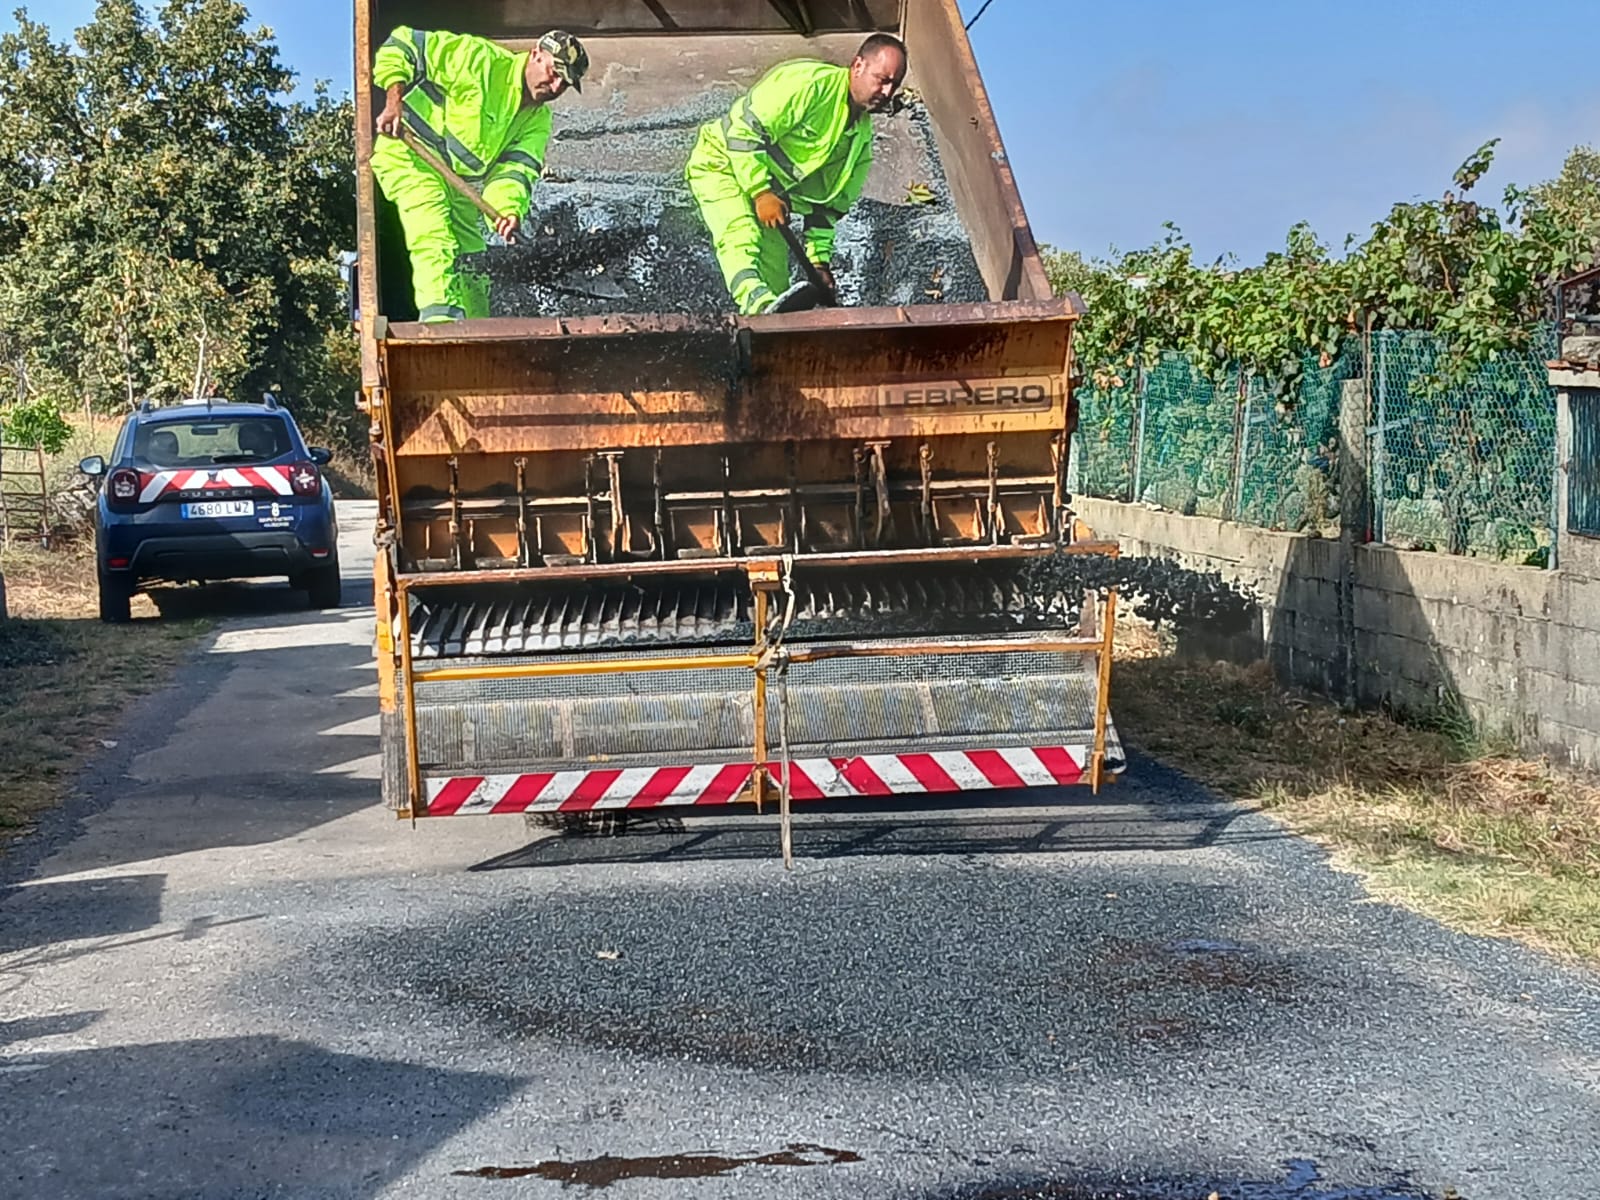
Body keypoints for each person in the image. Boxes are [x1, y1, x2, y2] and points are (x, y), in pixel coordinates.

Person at [371, 26, 590, 323]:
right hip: (410, 157)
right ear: (535, 54)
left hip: (459, 184)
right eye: (554, 73)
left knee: (476, 263)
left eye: (564, 84)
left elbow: (515, 171)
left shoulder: (538, 120)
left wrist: (508, 210)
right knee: (435, 239)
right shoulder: (479, 60)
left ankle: (479, 333)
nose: (554, 86)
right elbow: (403, 43)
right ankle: (441, 330)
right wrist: (393, 101)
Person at [684, 34, 908, 315]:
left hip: (772, 199)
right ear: (858, 66)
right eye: (882, 79)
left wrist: (819, 265)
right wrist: (760, 191)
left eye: (894, 85)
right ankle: (755, 302)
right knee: (742, 234)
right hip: (723, 164)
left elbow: (825, 210)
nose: (887, 92)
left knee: (776, 283)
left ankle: (770, 331)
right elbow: (743, 132)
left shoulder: (859, 143)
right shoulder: (809, 84)